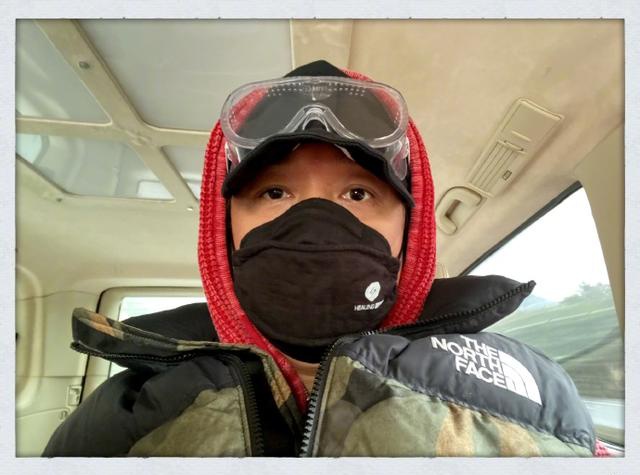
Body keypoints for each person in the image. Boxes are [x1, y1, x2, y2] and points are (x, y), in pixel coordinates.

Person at [43, 60, 599, 457]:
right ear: (222, 229)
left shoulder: (529, 400)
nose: (314, 223)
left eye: (358, 193)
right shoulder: (119, 426)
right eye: (274, 192)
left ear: (411, 232)